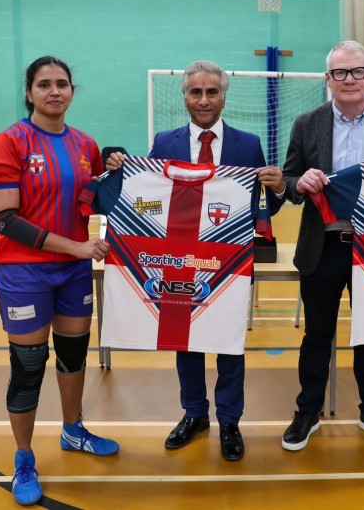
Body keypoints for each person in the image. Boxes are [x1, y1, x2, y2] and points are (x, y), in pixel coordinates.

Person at [104, 60, 286, 462]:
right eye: (196, 92)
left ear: (224, 97)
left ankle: (230, 420)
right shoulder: (163, 142)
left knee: (229, 343)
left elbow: (264, 205)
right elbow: (145, 195)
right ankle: (194, 414)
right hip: (177, 259)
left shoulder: (248, 144)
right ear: (184, 97)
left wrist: (277, 189)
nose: (204, 100)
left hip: (229, 262)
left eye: (212, 92)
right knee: (184, 341)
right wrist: (119, 169)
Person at [0, 55, 118, 506]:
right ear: (29, 92)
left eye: (62, 83)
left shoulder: (85, 144)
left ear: (72, 91)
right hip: (24, 271)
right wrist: (76, 247)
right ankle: (24, 457)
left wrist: (117, 170)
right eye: (44, 84)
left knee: (74, 355)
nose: (54, 91)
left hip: (73, 272)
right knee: (29, 366)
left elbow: (95, 199)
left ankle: (73, 430)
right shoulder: (10, 142)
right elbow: (5, 219)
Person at [279, 40, 364, 452]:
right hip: (322, 246)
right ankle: (308, 410)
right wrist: (299, 184)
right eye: (340, 72)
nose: (349, 79)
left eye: (357, 71)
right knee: (316, 335)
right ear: (328, 79)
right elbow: (288, 179)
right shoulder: (307, 123)